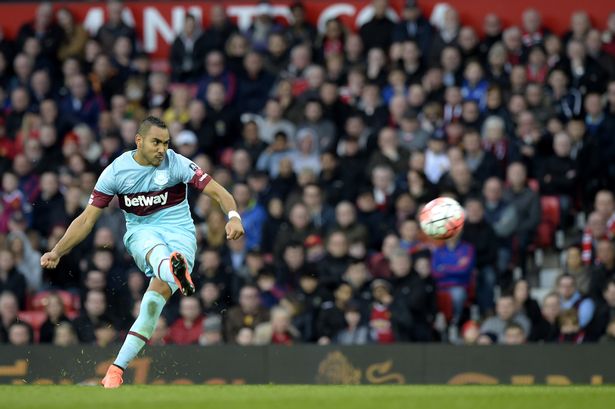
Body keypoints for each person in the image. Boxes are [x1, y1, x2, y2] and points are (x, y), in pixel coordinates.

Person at [40, 116, 245, 388]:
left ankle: (115, 370)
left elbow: (219, 192)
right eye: (156, 142)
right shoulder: (116, 172)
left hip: (181, 234)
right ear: (139, 141)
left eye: (166, 143)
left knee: (150, 307)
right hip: (142, 231)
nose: (162, 149)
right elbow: (87, 219)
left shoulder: (178, 163)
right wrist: (57, 251)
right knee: (154, 247)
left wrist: (233, 216)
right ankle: (174, 271)